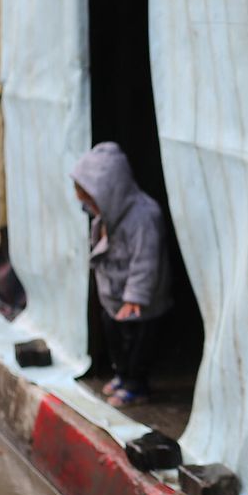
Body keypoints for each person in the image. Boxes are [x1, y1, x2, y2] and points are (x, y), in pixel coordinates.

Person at [71, 142, 172, 407]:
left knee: (140, 345)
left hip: (142, 301)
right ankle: (123, 374)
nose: (90, 209)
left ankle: (136, 385)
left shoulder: (144, 217)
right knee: (115, 338)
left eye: (92, 201)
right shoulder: (106, 218)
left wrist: (136, 296)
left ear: (109, 192)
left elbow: (146, 261)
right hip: (115, 298)